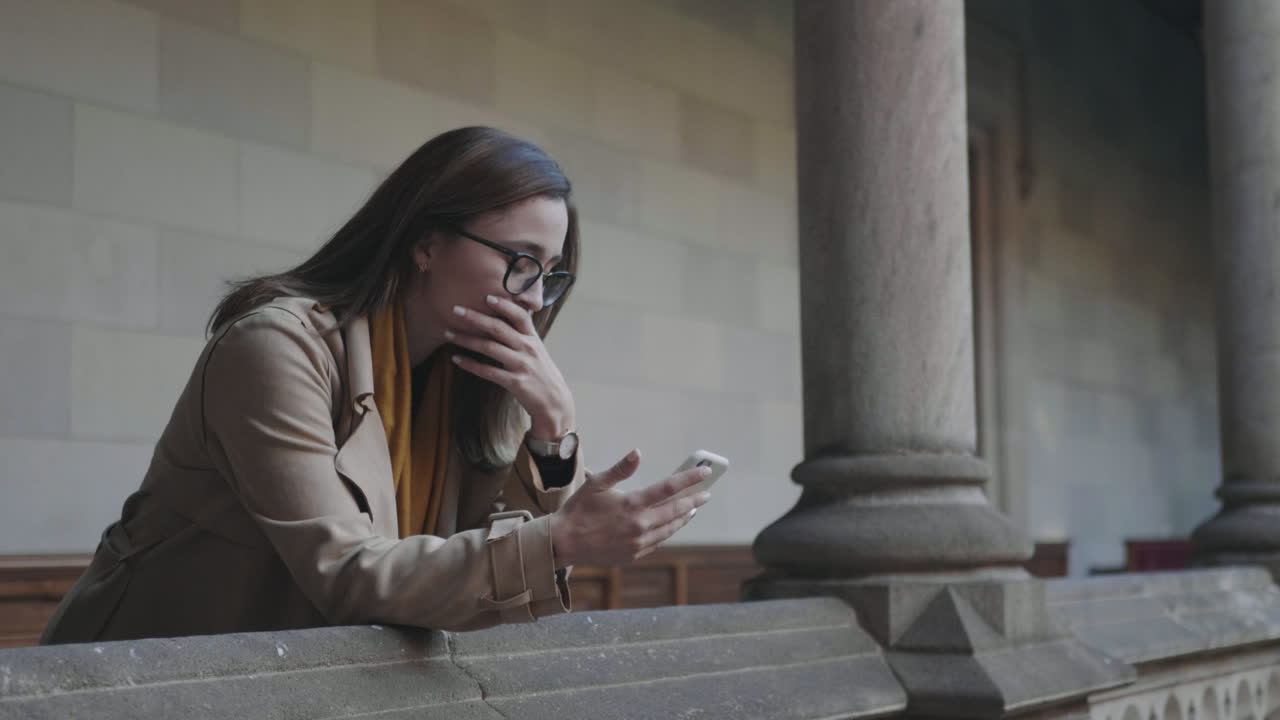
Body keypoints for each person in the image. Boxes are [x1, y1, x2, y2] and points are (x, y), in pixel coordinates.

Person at [41, 126, 711, 644]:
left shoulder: (479, 378)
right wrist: (564, 540)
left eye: (550, 272)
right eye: (519, 261)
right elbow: (349, 575)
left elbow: (486, 588)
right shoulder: (276, 347)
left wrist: (554, 432)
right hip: (145, 679)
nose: (534, 298)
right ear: (425, 244)